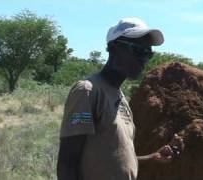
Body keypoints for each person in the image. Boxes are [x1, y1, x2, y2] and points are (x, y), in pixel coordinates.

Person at [57, 17, 184, 180]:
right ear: (113, 47)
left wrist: (153, 157)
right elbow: (67, 163)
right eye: (138, 50)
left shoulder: (120, 97)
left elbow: (114, 160)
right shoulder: (88, 91)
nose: (143, 58)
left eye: (148, 53)